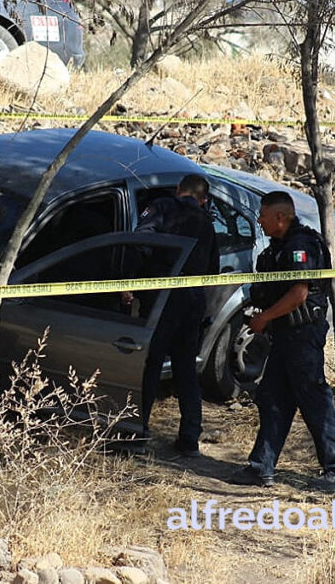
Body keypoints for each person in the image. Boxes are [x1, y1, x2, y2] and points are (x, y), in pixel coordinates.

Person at [228, 191, 335, 490]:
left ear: (280, 218)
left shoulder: (300, 245)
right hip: (284, 334)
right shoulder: (279, 246)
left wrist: (265, 317)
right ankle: (261, 467)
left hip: (302, 334)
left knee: (313, 399)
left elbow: (299, 294)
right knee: (272, 398)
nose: (259, 220)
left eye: (263, 215)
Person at [127, 174, 219, 457]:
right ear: (202, 200)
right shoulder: (207, 224)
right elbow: (212, 271)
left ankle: (137, 434)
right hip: (192, 301)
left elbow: (140, 241)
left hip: (162, 298)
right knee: (185, 369)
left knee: (150, 365)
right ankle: (190, 439)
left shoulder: (163, 207)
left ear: (179, 190)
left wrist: (130, 281)